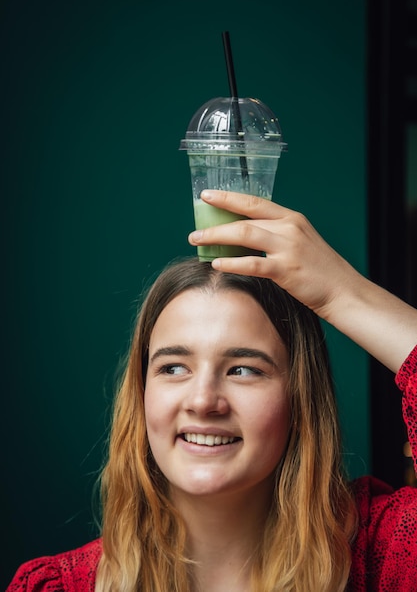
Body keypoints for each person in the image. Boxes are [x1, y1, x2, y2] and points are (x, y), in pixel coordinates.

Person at [7, 190, 417, 592]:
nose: (203, 401)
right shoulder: (57, 586)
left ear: (299, 399)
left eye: (242, 369)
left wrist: (343, 294)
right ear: (142, 394)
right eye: (174, 367)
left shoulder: (385, 558)